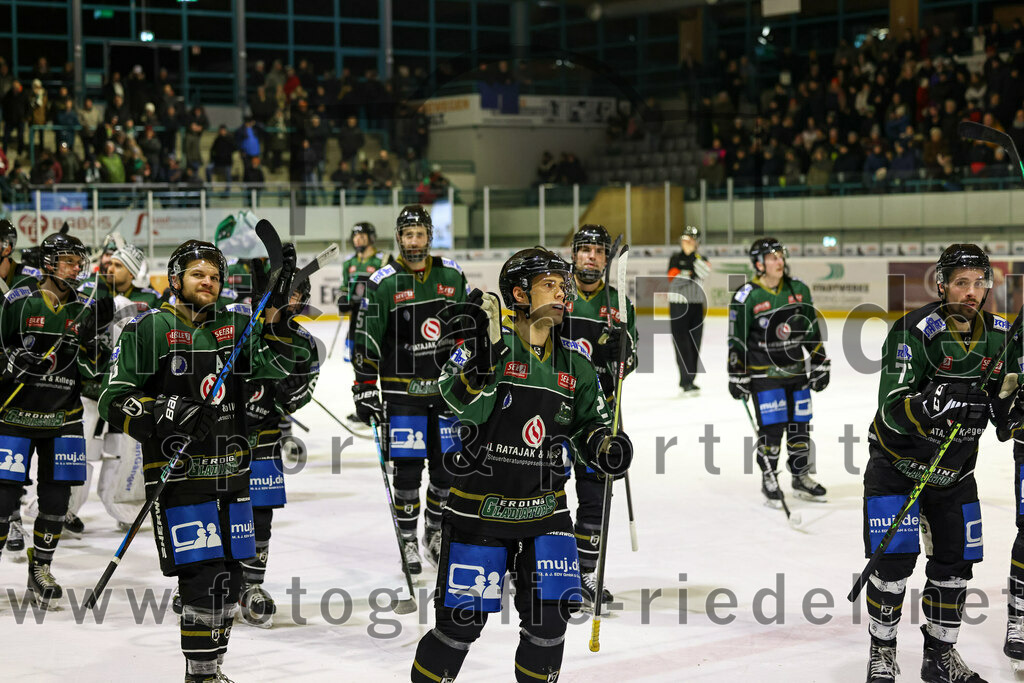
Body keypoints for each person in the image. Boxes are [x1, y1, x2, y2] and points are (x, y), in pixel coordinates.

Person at [409, 247, 632, 683]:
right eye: (550, 285)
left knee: (551, 624)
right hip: (480, 511)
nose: (564, 293)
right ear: (519, 293)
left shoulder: (578, 366)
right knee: (459, 627)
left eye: (564, 286)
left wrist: (606, 446)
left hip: (545, 511)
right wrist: (478, 360)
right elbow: (456, 400)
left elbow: (589, 427)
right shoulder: (489, 340)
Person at [98, 239, 297, 683]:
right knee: (203, 578)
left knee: (229, 580)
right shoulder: (147, 328)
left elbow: (278, 367)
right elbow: (114, 398)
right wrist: (167, 411)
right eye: (197, 275)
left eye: (215, 277)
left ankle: (209, 670)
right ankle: (202, 676)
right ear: (175, 279)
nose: (208, 283)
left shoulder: (235, 325)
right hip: (180, 475)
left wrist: (281, 317)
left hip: (233, 473)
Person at [862, 244, 1007, 683]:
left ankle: (939, 657)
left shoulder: (1001, 334)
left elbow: (1005, 408)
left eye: (979, 282)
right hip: (897, 467)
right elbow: (891, 408)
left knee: (956, 566)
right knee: (891, 568)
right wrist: (932, 402)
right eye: (961, 282)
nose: (971, 291)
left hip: (955, 472)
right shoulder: (914, 332)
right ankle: (882, 652)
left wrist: (1011, 410)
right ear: (942, 284)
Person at [352, 205, 468, 573]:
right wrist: (365, 387)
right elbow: (366, 339)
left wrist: (474, 373)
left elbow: (468, 332)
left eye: (420, 234)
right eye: (407, 234)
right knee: (406, 471)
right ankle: (407, 539)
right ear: (398, 238)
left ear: (429, 237)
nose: (413, 241)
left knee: (446, 470)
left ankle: (434, 532)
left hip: (448, 393)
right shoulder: (383, 282)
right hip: (403, 396)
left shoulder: (452, 274)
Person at [0, 230, 101, 608]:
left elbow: (91, 369)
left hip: (64, 418)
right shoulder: (19, 299)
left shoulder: (85, 308)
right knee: (1, 500)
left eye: (80, 263)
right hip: (14, 415)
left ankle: (40, 569)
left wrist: (100, 360)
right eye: (70, 262)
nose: (77, 269)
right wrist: (9, 362)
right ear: (48, 263)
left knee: (57, 502)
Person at [238, 256, 320, 629]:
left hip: (267, 438)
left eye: (297, 295)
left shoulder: (304, 342)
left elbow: (298, 396)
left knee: (260, 516)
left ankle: (252, 586)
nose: (290, 301)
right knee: (218, 509)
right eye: (282, 293)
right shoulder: (238, 325)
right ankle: (212, 582)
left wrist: (284, 389)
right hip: (222, 437)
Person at [559, 224, 636, 608]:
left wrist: (621, 354)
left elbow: (631, 360)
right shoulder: (557, 292)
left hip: (599, 415)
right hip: (553, 408)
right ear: (573, 255)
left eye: (598, 251)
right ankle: (541, 568)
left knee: (595, 497)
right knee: (544, 491)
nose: (591, 256)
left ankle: (584, 571)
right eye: (584, 249)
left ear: (607, 259)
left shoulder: (619, 302)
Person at [727, 237, 830, 505]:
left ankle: (800, 476)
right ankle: (769, 477)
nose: (779, 261)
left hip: (797, 373)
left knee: (800, 428)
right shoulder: (746, 295)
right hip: (764, 376)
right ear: (759, 263)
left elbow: (810, 330)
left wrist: (820, 361)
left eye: (780, 256)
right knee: (772, 430)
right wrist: (737, 373)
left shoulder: (798, 290)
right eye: (772, 257)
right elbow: (736, 339)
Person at [667, 225, 712, 394]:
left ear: (696, 242)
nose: (686, 243)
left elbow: (704, 271)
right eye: (685, 239)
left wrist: (692, 261)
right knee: (681, 343)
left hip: (696, 305)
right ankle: (685, 379)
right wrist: (689, 274)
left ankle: (690, 378)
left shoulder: (700, 258)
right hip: (678, 306)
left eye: (690, 240)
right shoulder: (675, 258)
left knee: (695, 342)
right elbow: (673, 278)